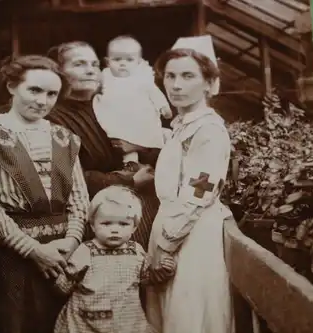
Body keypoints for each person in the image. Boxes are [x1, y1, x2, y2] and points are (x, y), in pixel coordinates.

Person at [0, 55, 90, 333]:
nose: (42, 101)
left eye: (51, 94)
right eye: (34, 90)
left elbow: (79, 198)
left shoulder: (64, 137)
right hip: (12, 257)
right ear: (11, 87)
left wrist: (70, 242)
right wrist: (33, 250)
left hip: (62, 257)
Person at [146, 35, 235, 333]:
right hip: (174, 225)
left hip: (191, 234)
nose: (176, 85)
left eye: (187, 76)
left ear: (209, 83)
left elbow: (199, 193)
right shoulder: (183, 126)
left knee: (190, 314)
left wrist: (165, 244)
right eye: (170, 76)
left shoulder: (208, 130)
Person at [45, 41, 158, 250]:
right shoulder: (52, 117)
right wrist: (129, 179)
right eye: (79, 64)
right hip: (93, 218)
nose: (90, 70)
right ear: (58, 72)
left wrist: (142, 149)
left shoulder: (110, 105)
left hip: (138, 211)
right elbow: (66, 177)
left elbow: (150, 141)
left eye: (94, 64)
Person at [53, 185, 175, 333]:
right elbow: (62, 286)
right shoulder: (85, 252)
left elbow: (146, 278)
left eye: (123, 224)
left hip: (126, 322)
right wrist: (63, 278)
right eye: (106, 223)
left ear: (134, 227)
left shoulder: (136, 251)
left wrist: (163, 270)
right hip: (86, 322)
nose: (115, 229)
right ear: (92, 225)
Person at [93, 35, 172, 171]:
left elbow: (154, 93)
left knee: (138, 136)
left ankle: (134, 162)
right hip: (115, 116)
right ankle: (129, 163)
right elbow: (95, 92)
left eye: (129, 60)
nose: (123, 63)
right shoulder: (105, 77)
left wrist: (163, 107)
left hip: (138, 117)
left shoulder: (142, 77)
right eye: (117, 59)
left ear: (138, 62)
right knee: (118, 139)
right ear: (107, 61)